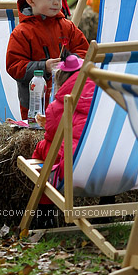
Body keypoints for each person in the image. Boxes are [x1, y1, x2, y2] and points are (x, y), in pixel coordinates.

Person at [6, 0, 89, 119]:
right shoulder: (22, 32)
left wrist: (71, 62)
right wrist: (43, 67)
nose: (56, 3)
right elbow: (14, 66)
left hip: (68, 97)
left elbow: (84, 50)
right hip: (35, 104)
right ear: (31, 0)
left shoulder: (67, 26)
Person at [31, 55, 95, 192]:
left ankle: (43, 201)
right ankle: (107, 200)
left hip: (73, 169)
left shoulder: (56, 107)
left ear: (60, 84)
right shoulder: (102, 100)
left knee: (44, 146)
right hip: (106, 167)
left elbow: (51, 136)